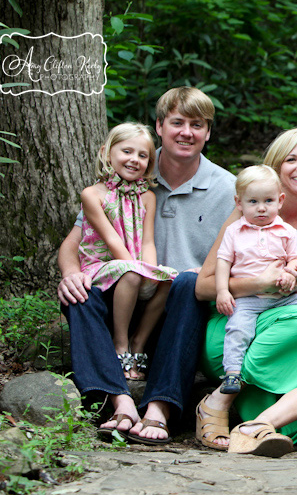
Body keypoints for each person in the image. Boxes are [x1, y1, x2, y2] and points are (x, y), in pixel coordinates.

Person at [58, 87, 236, 444]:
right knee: (79, 295)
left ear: (208, 133)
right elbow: (74, 243)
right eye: (177, 122)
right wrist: (69, 274)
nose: (187, 132)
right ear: (159, 125)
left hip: (180, 312)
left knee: (187, 281)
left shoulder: (227, 188)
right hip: (122, 298)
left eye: (197, 125)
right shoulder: (131, 168)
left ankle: (159, 407)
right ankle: (118, 401)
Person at [195, 127, 297, 456]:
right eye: (291, 159)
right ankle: (228, 398)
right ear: (275, 169)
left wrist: (294, 276)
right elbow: (203, 286)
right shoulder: (246, 215)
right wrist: (258, 283)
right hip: (235, 329)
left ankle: (250, 423)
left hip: (280, 337)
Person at [78, 122, 176, 382]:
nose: (134, 160)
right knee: (132, 274)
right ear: (106, 153)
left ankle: (139, 341)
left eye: (142, 155)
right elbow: (111, 239)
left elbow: (147, 242)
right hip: (102, 264)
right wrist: (137, 269)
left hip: (132, 263)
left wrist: (151, 272)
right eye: (126, 152)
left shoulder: (148, 197)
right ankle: (119, 343)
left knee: (169, 279)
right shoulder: (92, 195)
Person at [215, 165, 297, 395]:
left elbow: (295, 259)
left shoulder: (286, 231)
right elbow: (223, 263)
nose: (261, 208)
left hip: (282, 298)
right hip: (249, 297)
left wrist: (290, 273)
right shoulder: (234, 232)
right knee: (237, 327)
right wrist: (222, 291)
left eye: (268, 201)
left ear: (280, 200)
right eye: (253, 202)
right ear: (239, 203)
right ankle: (232, 372)